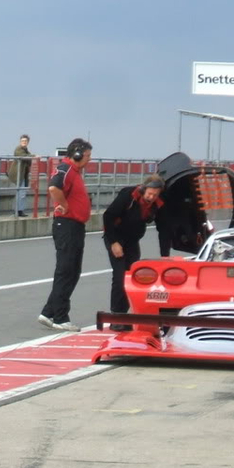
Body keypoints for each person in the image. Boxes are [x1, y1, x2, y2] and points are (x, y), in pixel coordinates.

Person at [38, 138, 93, 332]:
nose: (89, 160)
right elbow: (54, 187)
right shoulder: (66, 169)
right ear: (77, 154)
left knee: (72, 270)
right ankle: (60, 316)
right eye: (87, 156)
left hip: (74, 225)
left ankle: (48, 312)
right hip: (67, 225)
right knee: (66, 270)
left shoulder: (74, 171)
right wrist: (65, 205)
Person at [102, 174, 166, 331]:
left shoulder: (157, 204)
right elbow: (108, 216)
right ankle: (116, 316)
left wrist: (165, 254)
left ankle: (124, 315)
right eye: (149, 193)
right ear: (144, 189)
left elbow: (163, 229)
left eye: (155, 194)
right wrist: (114, 243)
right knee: (119, 277)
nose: (151, 197)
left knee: (131, 277)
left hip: (132, 240)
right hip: (116, 237)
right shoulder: (128, 196)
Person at [6, 133, 35, 217]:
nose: (24, 142)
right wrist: (33, 156)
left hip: (22, 175)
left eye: (25, 141)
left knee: (22, 193)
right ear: (20, 141)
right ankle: (18, 211)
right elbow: (22, 156)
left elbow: (28, 159)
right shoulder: (18, 149)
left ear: (28, 142)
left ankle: (19, 210)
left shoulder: (26, 150)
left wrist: (31, 156)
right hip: (18, 175)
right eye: (22, 141)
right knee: (20, 193)